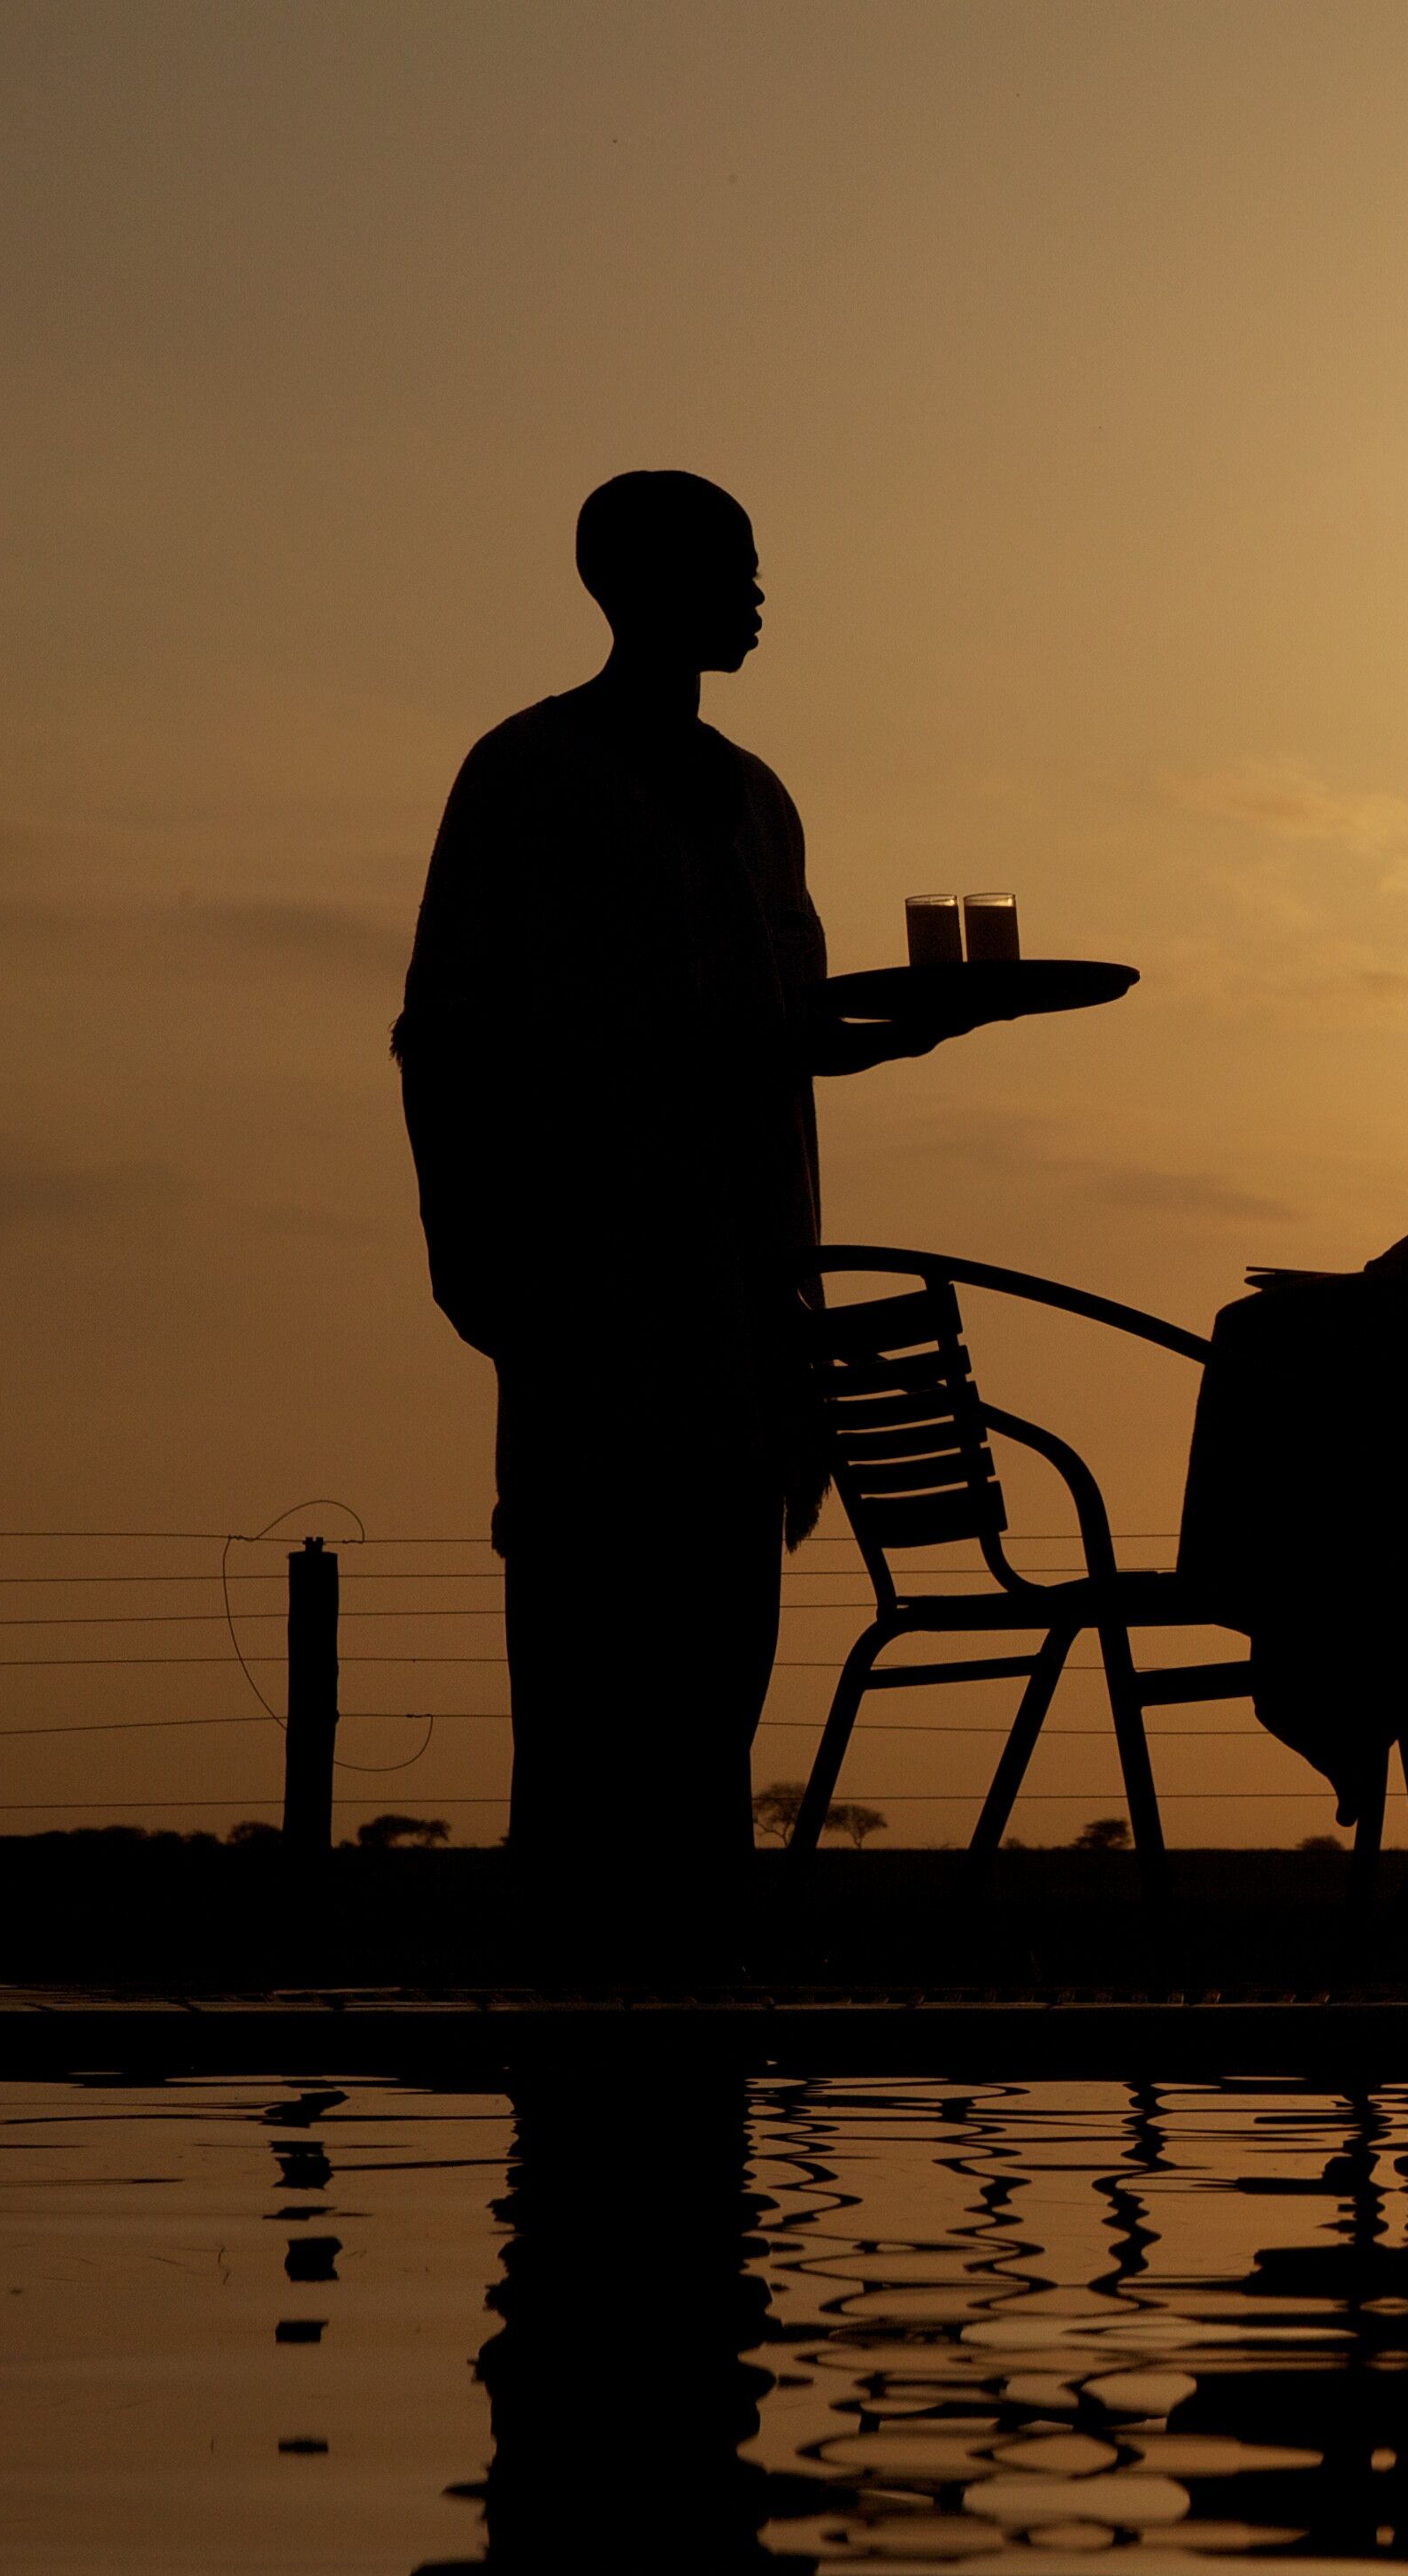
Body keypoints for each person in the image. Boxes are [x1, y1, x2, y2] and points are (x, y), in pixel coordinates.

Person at [393, 472, 961, 1957]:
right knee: (588, 1682)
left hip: (746, 1308)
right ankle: (580, 2028)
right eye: (737, 565)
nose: (763, 591)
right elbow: (446, 1033)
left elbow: (785, 1033)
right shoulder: (528, 777)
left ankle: (692, 2046)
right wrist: (483, 1268)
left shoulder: (756, 799)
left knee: (718, 1680)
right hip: (590, 1293)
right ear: (638, 584)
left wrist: (907, 1029)